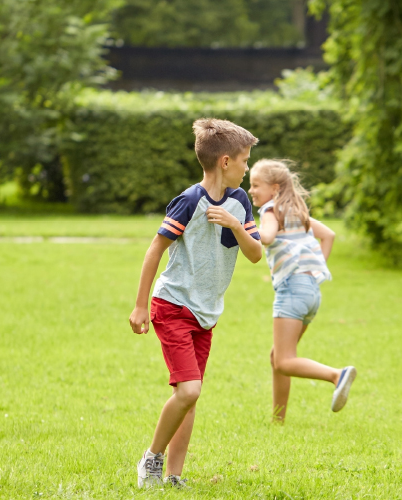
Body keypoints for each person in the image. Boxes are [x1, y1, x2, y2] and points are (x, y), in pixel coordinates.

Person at [128, 118, 263, 488]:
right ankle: (151, 460)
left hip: (206, 314)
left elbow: (255, 255)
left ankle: (173, 476)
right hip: (173, 305)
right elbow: (155, 249)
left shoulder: (239, 201)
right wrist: (140, 306)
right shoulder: (189, 200)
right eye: (244, 160)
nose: (247, 167)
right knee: (189, 390)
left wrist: (235, 225)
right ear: (224, 161)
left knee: (187, 396)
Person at [246, 159, 354, 423]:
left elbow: (268, 237)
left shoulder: (271, 211)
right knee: (278, 357)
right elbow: (328, 235)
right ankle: (278, 419)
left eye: (255, 185)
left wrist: (243, 229)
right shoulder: (296, 211)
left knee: (283, 361)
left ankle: (336, 375)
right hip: (310, 292)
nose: (251, 190)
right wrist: (315, 273)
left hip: (292, 291)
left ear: (274, 188)